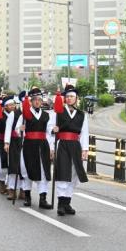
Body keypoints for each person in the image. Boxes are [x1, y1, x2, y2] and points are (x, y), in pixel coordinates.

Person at [51, 85, 89, 216]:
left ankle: (67, 202)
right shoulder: (58, 112)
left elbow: (84, 133)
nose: (69, 98)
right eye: (67, 96)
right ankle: (61, 203)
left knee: (73, 173)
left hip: (75, 145)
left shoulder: (81, 114)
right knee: (63, 172)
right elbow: (50, 129)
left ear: (76, 98)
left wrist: (85, 149)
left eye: (71, 96)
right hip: (62, 144)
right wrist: (53, 131)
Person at [15, 87, 54, 209]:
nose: (37, 102)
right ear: (30, 101)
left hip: (42, 145)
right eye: (35, 100)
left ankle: (43, 198)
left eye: (39, 100)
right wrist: (19, 129)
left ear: (42, 101)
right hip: (29, 145)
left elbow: (49, 132)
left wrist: (52, 145)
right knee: (27, 170)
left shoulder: (47, 115)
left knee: (43, 171)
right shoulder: (25, 115)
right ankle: (27, 196)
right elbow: (17, 130)